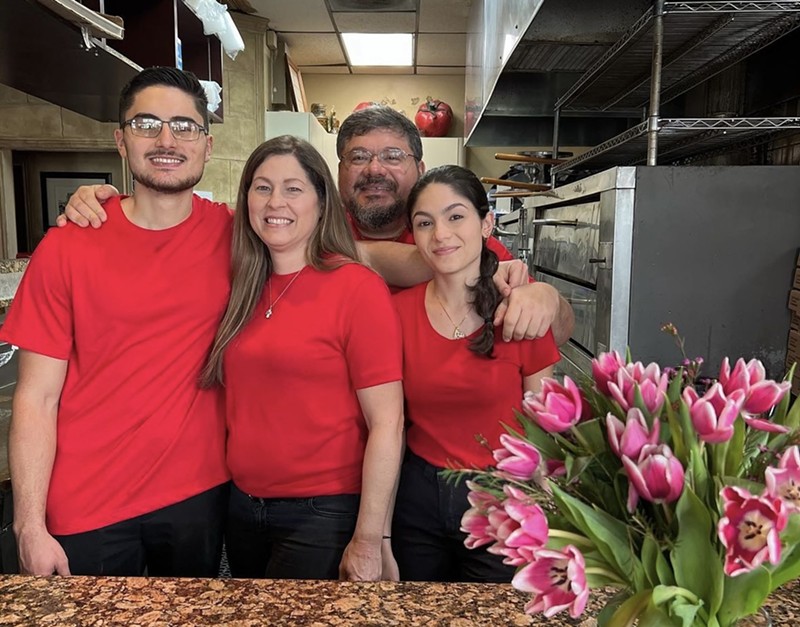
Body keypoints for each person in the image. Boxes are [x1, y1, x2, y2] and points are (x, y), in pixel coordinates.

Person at [62, 107, 575, 346]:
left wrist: (547, 300)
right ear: (337, 173)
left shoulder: (454, 241)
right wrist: (109, 202)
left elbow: (558, 328)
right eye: (358, 157)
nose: (375, 169)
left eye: (392, 156)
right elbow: (180, 219)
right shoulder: (290, 228)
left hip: (428, 455)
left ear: (419, 168)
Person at [1, 67, 230, 576]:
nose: (166, 139)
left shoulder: (239, 237)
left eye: (184, 125)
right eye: (147, 123)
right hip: (86, 502)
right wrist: (28, 525)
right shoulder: (67, 246)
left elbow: (334, 250)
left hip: (196, 494)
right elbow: (36, 397)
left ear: (207, 145)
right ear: (120, 140)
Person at [199, 135, 404, 581]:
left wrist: (369, 538)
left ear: (320, 201)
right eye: (262, 187)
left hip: (323, 513)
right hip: (243, 506)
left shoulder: (356, 288)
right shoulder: (241, 285)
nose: (276, 201)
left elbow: (387, 422)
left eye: (293, 188)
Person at [391, 165, 560, 582]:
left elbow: (546, 428)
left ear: (486, 223)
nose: (441, 235)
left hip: (502, 494)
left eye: (456, 216)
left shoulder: (520, 311)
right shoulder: (395, 313)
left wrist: (554, 523)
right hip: (418, 495)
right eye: (425, 223)